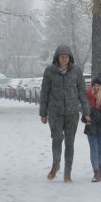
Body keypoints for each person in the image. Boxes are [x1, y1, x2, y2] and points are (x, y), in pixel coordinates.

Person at [39, 45, 90, 183]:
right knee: (56, 140)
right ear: (57, 57)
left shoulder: (76, 71)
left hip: (72, 113)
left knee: (70, 143)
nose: (64, 59)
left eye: (66, 56)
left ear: (70, 57)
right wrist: (43, 113)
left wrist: (86, 112)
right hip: (55, 112)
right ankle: (55, 165)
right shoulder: (50, 71)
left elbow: (82, 93)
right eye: (61, 56)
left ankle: (68, 172)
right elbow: (44, 93)